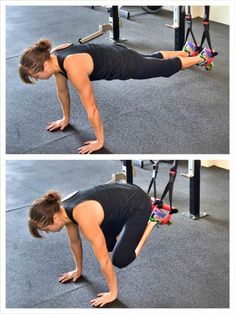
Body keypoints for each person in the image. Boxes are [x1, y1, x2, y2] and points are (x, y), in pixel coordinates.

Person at [19, 40, 215, 154]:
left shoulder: (73, 68)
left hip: (124, 64)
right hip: (114, 51)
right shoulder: (54, 56)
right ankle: (186, 51)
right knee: (153, 58)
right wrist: (66, 118)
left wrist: (99, 141)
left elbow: (91, 107)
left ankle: (202, 57)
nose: (39, 79)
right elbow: (62, 91)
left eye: (36, 76)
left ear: (44, 65)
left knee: (163, 69)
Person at [28, 183, 155, 307]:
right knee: (108, 244)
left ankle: (153, 220)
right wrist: (78, 269)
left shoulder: (83, 216)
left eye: (46, 229)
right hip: (124, 196)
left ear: (55, 218)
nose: (47, 232)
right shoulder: (62, 210)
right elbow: (75, 242)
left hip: (139, 204)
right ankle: (127, 232)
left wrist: (113, 293)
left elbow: (104, 259)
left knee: (120, 259)